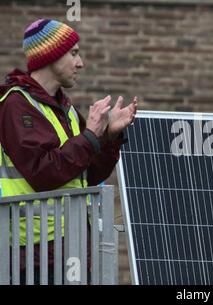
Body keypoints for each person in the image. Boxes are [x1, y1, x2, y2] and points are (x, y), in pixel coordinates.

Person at [0, 19, 138, 284]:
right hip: (33, 257)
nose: (81, 62)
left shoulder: (66, 109)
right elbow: (43, 172)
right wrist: (89, 136)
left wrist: (108, 136)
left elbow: (89, 174)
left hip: (73, 248)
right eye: (73, 53)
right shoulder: (15, 105)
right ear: (50, 56)